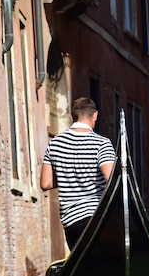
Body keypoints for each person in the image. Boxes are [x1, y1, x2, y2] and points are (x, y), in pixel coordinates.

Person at [40, 97, 116, 250]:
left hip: (71, 221)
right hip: (98, 218)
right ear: (95, 115)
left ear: (71, 117)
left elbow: (45, 183)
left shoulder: (55, 144)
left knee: (82, 270)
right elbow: (112, 179)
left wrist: (67, 174)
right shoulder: (102, 143)